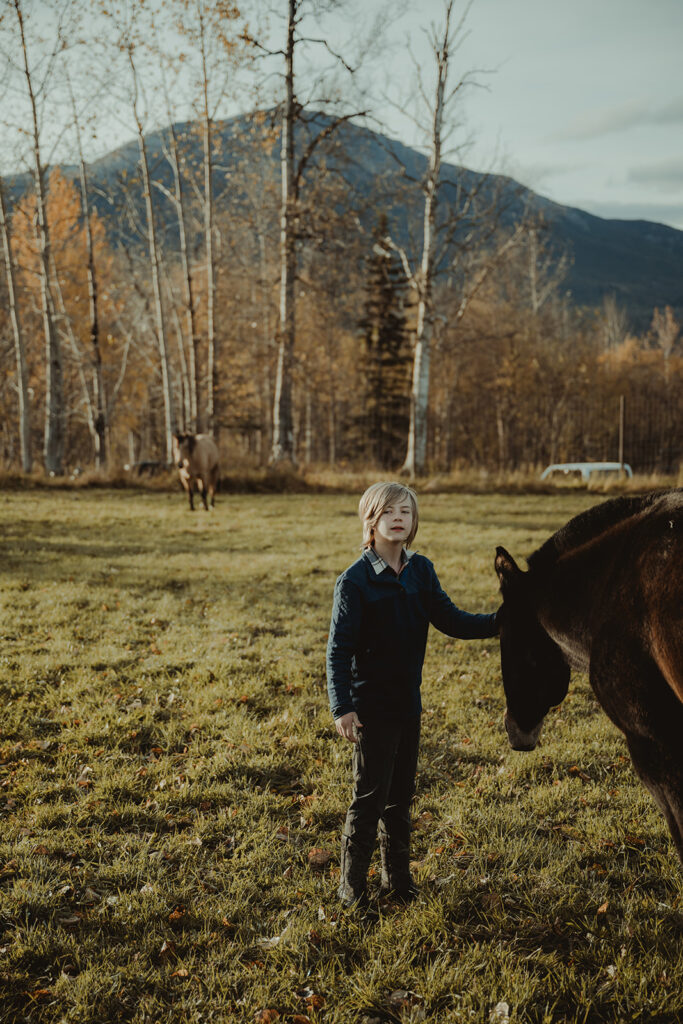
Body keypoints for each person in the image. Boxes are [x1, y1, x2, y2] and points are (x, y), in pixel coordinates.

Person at [326, 481, 499, 910]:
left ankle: (397, 882)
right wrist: (342, 706)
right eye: (389, 512)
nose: (398, 518)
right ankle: (351, 891)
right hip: (372, 708)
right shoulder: (355, 581)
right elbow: (338, 650)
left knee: (401, 798)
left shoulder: (421, 571)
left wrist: (502, 621)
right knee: (369, 799)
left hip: (408, 705)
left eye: (406, 511)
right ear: (371, 520)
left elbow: (451, 619)